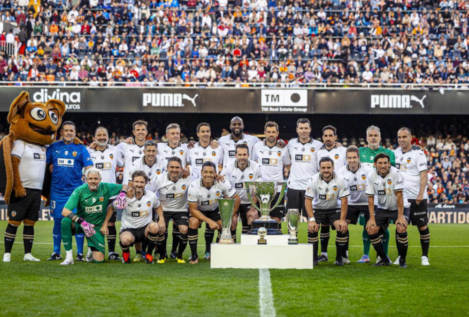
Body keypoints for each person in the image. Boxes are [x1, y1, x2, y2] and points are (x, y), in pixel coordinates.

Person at [59, 168, 129, 265]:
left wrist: (122, 193)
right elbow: (65, 211)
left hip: (96, 227)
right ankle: (69, 257)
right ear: (86, 179)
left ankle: (90, 251)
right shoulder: (79, 190)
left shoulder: (106, 187)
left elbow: (125, 185)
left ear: (100, 179)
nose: (93, 181)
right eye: (90, 178)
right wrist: (82, 222)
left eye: (96, 179)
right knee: (65, 221)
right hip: (82, 224)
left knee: (99, 261)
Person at [46, 121, 93, 261]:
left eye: (71, 131)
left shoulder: (80, 148)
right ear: (61, 132)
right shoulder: (53, 147)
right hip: (57, 191)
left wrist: (87, 180)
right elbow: (45, 163)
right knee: (58, 221)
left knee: (77, 221)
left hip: (75, 192)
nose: (68, 133)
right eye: (66, 130)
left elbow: (89, 166)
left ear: (75, 132)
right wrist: (49, 167)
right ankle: (56, 252)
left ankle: (79, 253)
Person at [2, 135, 47, 263]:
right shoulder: (21, 143)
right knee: (13, 222)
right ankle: (7, 254)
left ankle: (28, 254)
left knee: (30, 223)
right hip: (21, 189)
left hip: (37, 191)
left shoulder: (43, 147)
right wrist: (17, 185)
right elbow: (13, 164)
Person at [187, 161, 240, 263]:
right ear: (201, 172)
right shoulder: (194, 186)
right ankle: (194, 255)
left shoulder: (222, 182)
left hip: (214, 209)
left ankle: (214, 253)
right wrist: (209, 221)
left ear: (215, 173)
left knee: (224, 224)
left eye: (211, 172)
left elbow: (237, 198)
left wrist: (229, 216)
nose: (208, 174)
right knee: (193, 222)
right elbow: (193, 210)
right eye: (205, 172)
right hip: (199, 210)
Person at [106, 170, 164, 264]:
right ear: (132, 182)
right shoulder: (125, 197)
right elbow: (111, 207)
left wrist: (161, 219)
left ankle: (149, 254)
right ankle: (126, 253)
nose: (139, 184)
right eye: (136, 182)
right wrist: (105, 223)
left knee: (155, 227)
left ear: (146, 183)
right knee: (125, 240)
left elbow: (158, 206)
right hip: (129, 229)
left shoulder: (151, 196)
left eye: (141, 182)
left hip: (145, 228)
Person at [358, 125, 396, 263]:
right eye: (370, 135)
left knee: (383, 226)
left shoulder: (389, 153)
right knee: (366, 225)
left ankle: (383, 255)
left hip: (383, 197)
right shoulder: (359, 151)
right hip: (366, 196)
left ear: (380, 137)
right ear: (367, 137)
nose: (373, 138)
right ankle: (366, 255)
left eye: (375, 135)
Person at [365, 153, 410, 268]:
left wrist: (400, 216)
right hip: (383, 207)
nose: (383, 165)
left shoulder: (396, 173)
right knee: (371, 229)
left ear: (389, 164)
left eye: (385, 163)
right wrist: (371, 219)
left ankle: (402, 260)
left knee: (401, 226)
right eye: (380, 163)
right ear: (375, 164)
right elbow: (370, 198)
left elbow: (399, 196)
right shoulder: (371, 175)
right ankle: (384, 259)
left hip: (400, 207)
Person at [394, 127, 430, 266]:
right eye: (399, 137)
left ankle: (424, 256)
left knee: (422, 226)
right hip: (401, 197)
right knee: (400, 225)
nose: (401, 140)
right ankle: (400, 256)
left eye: (404, 137)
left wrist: (421, 193)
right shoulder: (395, 153)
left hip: (416, 197)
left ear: (410, 138)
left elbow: (423, 174)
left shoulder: (418, 153)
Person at [186, 122, 224, 257]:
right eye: (202, 131)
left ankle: (210, 252)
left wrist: (219, 175)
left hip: (212, 189)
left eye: (207, 131)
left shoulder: (218, 148)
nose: (205, 134)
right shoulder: (190, 148)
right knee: (192, 222)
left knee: (218, 224)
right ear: (197, 134)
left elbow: (224, 165)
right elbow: (185, 167)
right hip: (195, 191)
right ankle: (192, 254)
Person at [305, 157, 350, 266]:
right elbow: (308, 200)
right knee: (313, 228)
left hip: (334, 209)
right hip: (318, 209)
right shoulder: (313, 180)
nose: (326, 170)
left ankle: (339, 259)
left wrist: (343, 220)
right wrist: (311, 220)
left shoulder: (341, 179)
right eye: (323, 168)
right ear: (319, 168)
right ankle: (313, 259)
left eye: (328, 167)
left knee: (342, 228)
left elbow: (344, 200)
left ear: (333, 168)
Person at [87, 126, 124, 261]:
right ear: (94, 137)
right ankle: (92, 251)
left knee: (111, 223)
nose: (102, 137)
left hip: (110, 193)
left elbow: (124, 161)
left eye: (104, 135)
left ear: (109, 137)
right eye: (99, 135)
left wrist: (130, 140)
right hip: (93, 194)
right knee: (93, 223)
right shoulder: (88, 150)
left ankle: (112, 252)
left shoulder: (115, 150)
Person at [147, 157, 192, 264]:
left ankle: (179, 255)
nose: (174, 170)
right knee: (161, 229)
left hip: (180, 209)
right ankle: (163, 255)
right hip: (163, 209)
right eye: (171, 167)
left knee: (184, 230)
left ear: (181, 169)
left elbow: (203, 178)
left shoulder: (189, 178)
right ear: (167, 168)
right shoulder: (159, 179)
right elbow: (147, 193)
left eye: (177, 167)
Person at [157, 123, 191, 259]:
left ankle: (175, 252)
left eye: (177, 133)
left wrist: (187, 170)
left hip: (179, 187)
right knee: (161, 228)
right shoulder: (159, 147)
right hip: (164, 184)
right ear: (167, 136)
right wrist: (129, 141)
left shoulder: (187, 148)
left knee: (180, 228)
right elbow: (143, 147)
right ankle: (161, 252)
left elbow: (190, 165)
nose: (175, 136)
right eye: (172, 133)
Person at [118, 120, 148, 262]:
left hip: (147, 188)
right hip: (129, 188)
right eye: (138, 129)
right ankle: (135, 251)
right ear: (133, 132)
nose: (140, 132)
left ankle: (146, 252)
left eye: (143, 129)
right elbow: (109, 152)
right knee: (134, 219)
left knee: (146, 220)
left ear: (146, 132)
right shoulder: (124, 146)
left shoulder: (153, 146)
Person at [315, 125, 346, 262]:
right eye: (325, 136)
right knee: (324, 225)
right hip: (323, 190)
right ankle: (324, 254)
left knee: (343, 224)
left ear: (335, 137)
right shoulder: (318, 152)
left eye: (330, 136)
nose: (328, 138)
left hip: (339, 191)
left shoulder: (343, 151)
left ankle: (344, 255)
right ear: (322, 138)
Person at [337, 146, 373, 264]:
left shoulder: (368, 170)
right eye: (349, 158)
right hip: (350, 203)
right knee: (342, 226)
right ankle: (344, 256)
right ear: (346, 159)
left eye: (354, 157)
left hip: (367, 202)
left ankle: (374, 256)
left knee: (372, 227)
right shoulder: (341, 172)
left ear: (358, 158)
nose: (352, 160)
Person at [253, 121, 291, 223]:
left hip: (277, 188)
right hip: (261, 188)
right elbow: (253, 164)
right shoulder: (257, 146)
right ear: (265, 132)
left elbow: (288, 163)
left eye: (273, 132)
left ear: (277, 133)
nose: (271, 134)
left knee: (276, 219)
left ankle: (275, 239)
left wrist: (286, 170)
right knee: (261, 218)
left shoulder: (283, 148)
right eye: (269, 132)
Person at [221, 144, 262, 237]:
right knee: (232, 221)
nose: (242, 157)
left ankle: (247, 246)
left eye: (244, 154)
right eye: (240, 154)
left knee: (252, 218)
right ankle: (232, 246)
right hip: (233, 201)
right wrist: (231, 209)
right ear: (235, 155)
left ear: (248, 155)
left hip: (249, 202)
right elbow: (225, 189)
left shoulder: (256, 167)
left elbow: (256, 189)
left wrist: (253, 208)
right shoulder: (228, 167)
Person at [286, 118, 323, 218]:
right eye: (301, 128)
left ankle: (311, 234)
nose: (303, 131)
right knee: (292, 219)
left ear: (310, 129)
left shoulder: (318, 145)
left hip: (310, 187)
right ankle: (292, 234)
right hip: (294, 186)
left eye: (306, 128)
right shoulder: (291, 143)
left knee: (311, 218)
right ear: (297, 129)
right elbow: (287, 161)